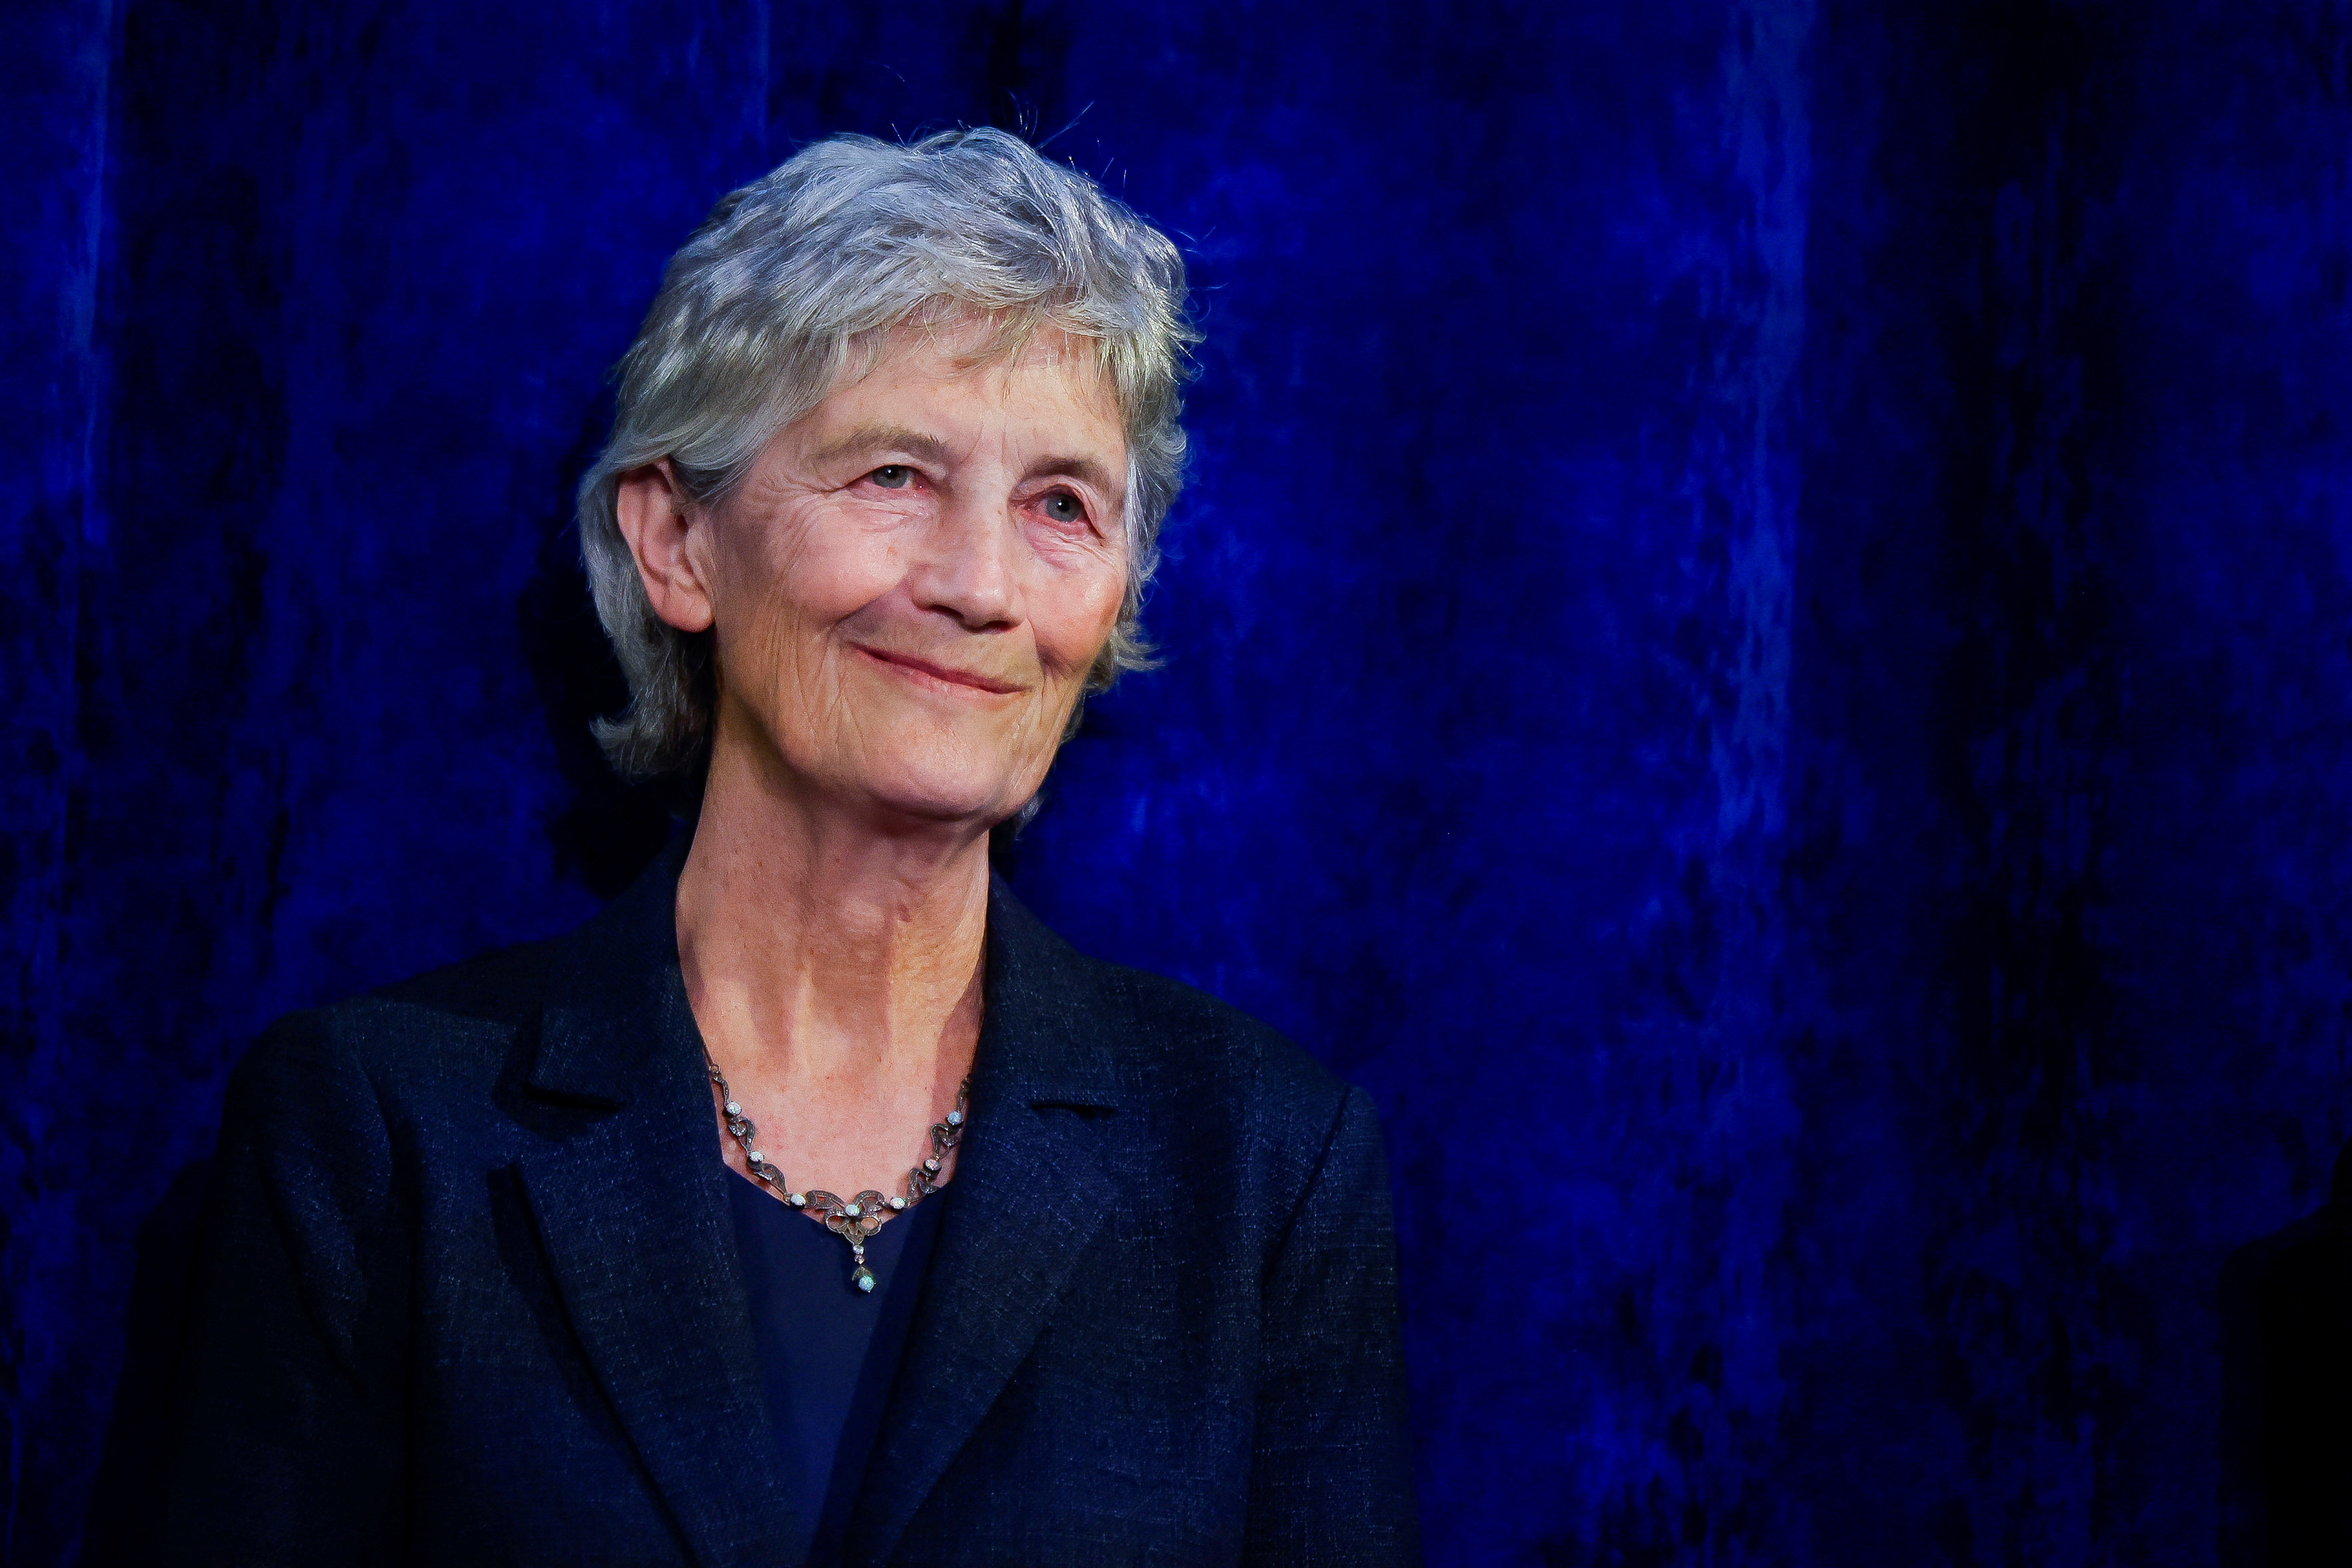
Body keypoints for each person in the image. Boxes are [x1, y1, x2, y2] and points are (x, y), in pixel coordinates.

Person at [159, 128, 1418, 1565]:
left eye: (1060, 503)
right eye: (892, 473)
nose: (981, 586)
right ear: (678, 544)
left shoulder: (1264, 1166)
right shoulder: (375, 1138)